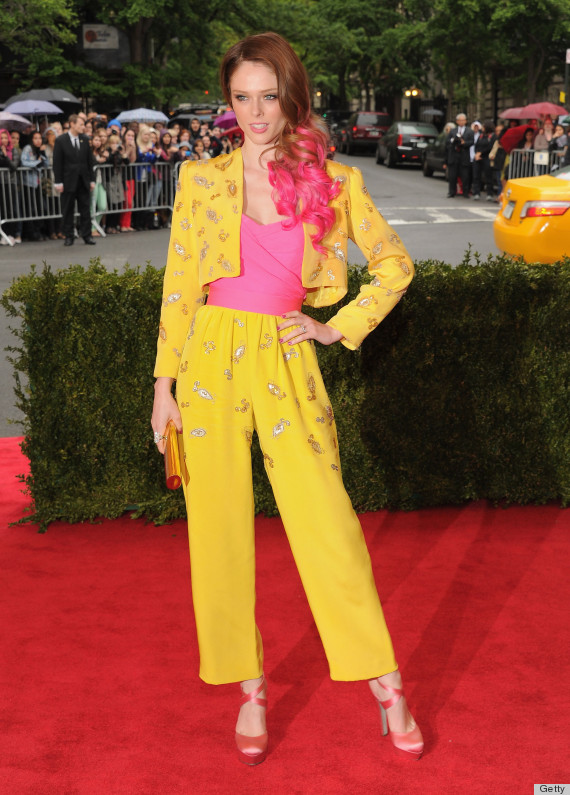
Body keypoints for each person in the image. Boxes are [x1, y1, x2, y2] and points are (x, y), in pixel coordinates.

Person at [151, 31, 422, 767]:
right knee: (218, 531)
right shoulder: (200, 180)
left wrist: (337, 328)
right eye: (242, 97)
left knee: (328, 525)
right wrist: (162, 387)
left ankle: (387, 682)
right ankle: (251, 689)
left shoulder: (333, 181)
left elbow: (395, 265)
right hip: (207, 361)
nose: (255, 111)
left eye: (268, 96)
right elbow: (180, 285)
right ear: (228, 101)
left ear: (291, 96)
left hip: (287, 362)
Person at [53, 114, 96, 246]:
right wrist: (58, 182)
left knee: (85, 209)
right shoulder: (61, 140)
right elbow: (57, 163)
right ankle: (69, 235)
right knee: (67, 209)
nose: (83, 127)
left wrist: (92, 180)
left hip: (83, 180)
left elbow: (90, 162)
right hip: (68, 181)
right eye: (81, 124)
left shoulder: (85, 139)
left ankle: (87, 235)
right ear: (72, 124)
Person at [445, 112, 474, 198]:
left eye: (463, 120)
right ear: (457, 121)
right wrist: (453, 142)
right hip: (454, 155)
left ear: (465, 121)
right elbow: (447, 142)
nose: (461, 122)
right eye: (460, 120)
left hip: (464, 155)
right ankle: (452, 192)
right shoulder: (453, 131)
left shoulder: (469, 131)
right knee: (452, 176)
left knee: (465, 175)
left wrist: (464, 143)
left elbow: (472, 142)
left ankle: (465, 192)